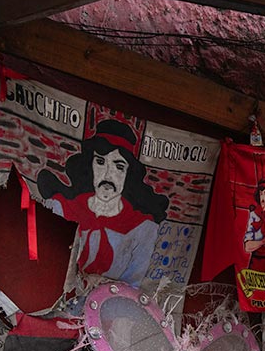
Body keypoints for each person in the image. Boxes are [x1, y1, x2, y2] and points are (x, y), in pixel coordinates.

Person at [37, 119, 169, 287]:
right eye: (100, 162)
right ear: (90, 165)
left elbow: (133, 289)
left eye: (118, 166)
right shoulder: (60, 208)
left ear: (128, 173)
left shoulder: (143, 229)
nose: (107, 175)